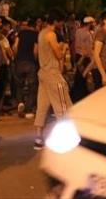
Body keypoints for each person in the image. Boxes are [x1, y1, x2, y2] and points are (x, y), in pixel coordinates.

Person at [33, 10, 72, 150]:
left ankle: (38, 139)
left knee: (42, 107)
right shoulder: (51, 34)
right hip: (53, 74)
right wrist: (64, 47)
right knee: (63, 107)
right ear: (56, 21)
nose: (62, 24)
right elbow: (59, 55)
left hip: (43, 73)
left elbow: (36, 52)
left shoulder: (41, 33)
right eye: (61, 21)